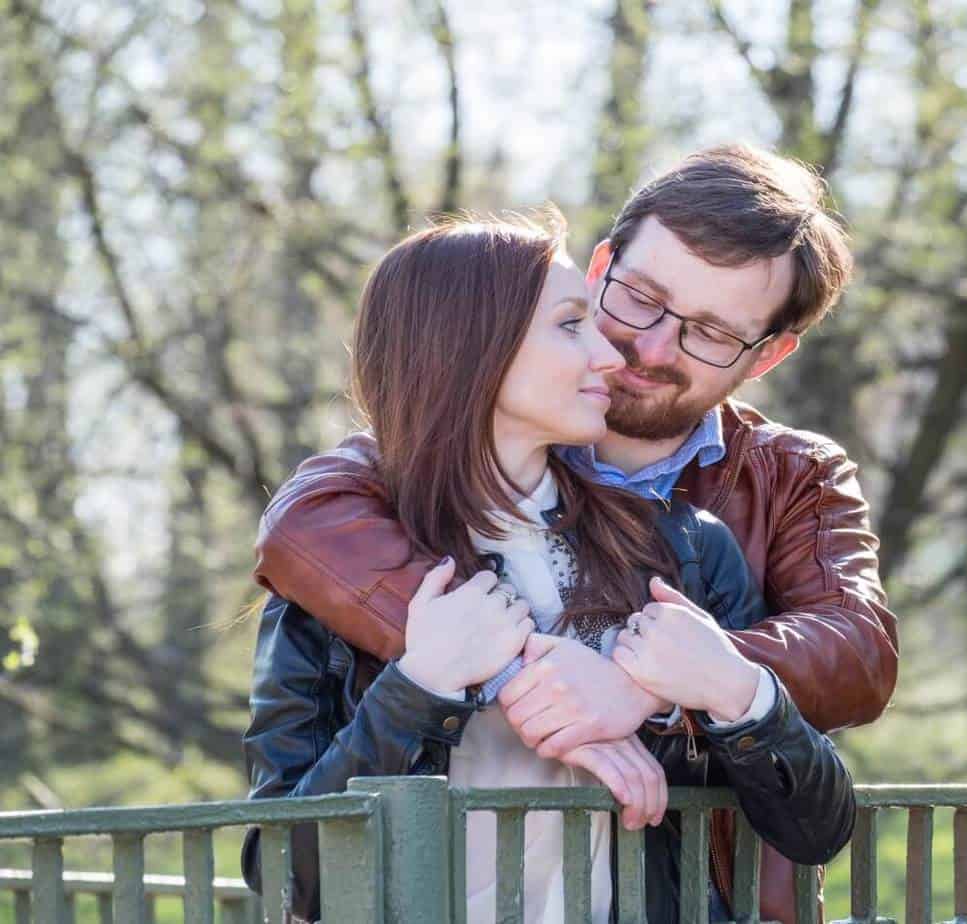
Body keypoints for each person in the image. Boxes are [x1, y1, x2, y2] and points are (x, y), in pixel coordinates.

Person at [251, 144, 899, 922]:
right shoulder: (362, 528)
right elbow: (285, 863)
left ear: (769, 356)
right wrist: (484, 679)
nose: (640, 350)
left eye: (713, 335)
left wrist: (652, 684)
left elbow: (855, 651)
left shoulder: (697, 538)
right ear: (599, 269)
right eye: (636, 300)